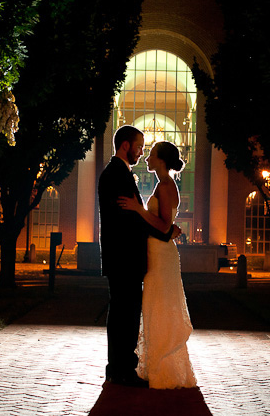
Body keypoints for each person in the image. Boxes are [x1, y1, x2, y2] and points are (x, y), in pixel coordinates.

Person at [98, 125, 178, 387]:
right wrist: (166, 233)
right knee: (125, 313)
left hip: (124, 257)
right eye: (139, 146)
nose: (142, 152)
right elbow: (129, 218)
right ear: (125, 146)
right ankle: (121, 369)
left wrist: (164, 230)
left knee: (125, 312)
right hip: (123, 257)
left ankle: (119, 367)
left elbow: (135, 215)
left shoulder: (121, 173)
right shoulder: (116, 174)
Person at [118, 141, 197, 389]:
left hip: (162, 255)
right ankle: (158, 365)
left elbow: (163, 225)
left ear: (161, 160)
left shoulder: (165, 186)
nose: (147, 159)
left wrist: (137, 209)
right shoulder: (164, 185)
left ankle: (164, 368)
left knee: (159, 306)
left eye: (151, 155)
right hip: (158, 252)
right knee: (155, 306)